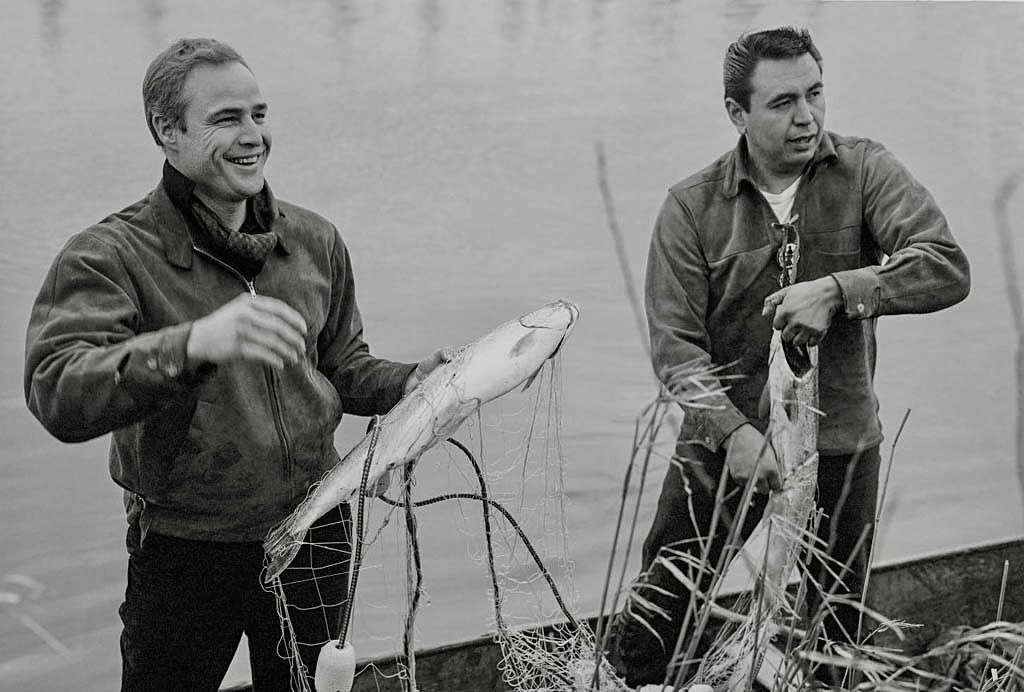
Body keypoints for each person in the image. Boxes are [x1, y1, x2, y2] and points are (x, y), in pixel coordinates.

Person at [23, 38, 449, 692]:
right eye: (227, 119)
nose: (253, 135)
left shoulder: (313, 241)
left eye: (259, 113)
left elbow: (341, 367)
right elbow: (58, 391)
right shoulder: (109, 255)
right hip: (187, 548)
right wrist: (193, 344)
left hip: (317, 531)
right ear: (167, 131)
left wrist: (409, 383)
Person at [607, 26, 970, 687]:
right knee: (651, 625)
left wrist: (842, 290)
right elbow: (674, 350)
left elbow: (945, 267)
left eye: (815, 94)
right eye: (781, 103)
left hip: (841, 446)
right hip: (720, 453)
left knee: (834, 641)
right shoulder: (690, 209)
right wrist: (734, 433)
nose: (806, 117)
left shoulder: (865, 172)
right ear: (736, 113)